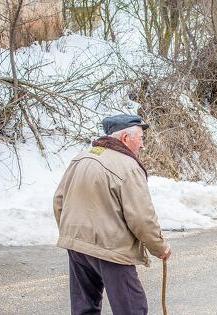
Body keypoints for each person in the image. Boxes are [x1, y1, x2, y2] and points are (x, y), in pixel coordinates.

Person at [53, 114, 171, 315]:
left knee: (84, 308)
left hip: (77, 246)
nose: (142, 145)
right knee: (132, 309)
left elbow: (59, 201)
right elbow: (142, 218)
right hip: (112, 249)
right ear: (125, 138)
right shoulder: (128, 166)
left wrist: (72, 234)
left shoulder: (81, 158)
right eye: (140, 138)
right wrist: (159, 247)